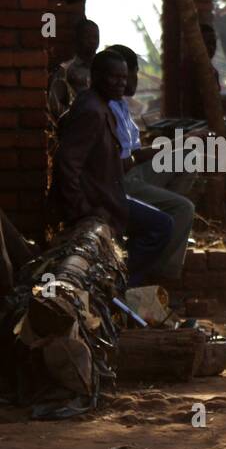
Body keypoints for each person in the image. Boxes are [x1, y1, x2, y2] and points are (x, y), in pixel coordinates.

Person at [52, 49, 172, 286]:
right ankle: (119, 286)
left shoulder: (101, 104)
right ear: (95, 76)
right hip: (100, 201)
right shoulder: (92, 111)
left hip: (108, 195)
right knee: (161, 226)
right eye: (113, 77)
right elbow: (66, 163)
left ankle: (121, 283)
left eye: (124, 78)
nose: (120, 83)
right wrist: (84, 209)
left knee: (157, 224)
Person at [106, 44, 194, 284]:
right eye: (124, 76)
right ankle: (161, 273)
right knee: (185, 208)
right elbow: (130, 157)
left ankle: (166, 221)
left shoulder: (121, 104)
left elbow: (134, 150)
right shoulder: (109, 108)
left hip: (134, 171)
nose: (126, 82)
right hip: (124, 179)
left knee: (190, 157)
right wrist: (176, 141)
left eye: (126, 76)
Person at [47, 18, 99, 120]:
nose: (92, 41)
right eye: (88, 37)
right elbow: (55, 104)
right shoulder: (65, 70)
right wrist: (75, 120)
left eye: (96, 37)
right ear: (77, 39)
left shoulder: (105, 68)